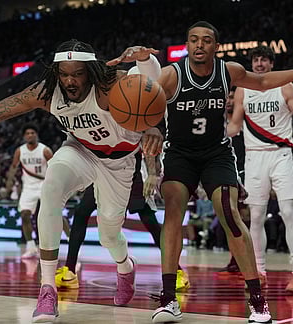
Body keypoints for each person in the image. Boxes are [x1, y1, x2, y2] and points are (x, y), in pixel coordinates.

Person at [0, 39, 164, 323]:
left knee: (109, 235)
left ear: (91, 71)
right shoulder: (47, 91)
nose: (69, 81)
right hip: (80, 151)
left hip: (119, 162)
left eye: (77, 73)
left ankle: (125, 267)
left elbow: (149, 95)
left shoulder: (112, 83)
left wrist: (152, 123)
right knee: (51, 185)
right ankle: (47, 288)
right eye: (63, 74)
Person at [110, 21, 293, 323]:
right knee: (173, 212)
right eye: (193, 39)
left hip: (216, 154)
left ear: (215, 46)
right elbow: (147, 102)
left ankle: (258, 302)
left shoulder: (228, 71)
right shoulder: (172, 74)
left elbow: (261, 82)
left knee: (229, 212)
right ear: (187, 44)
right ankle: (169, 299)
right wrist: (153, 127)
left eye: (206, 40)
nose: (199, 45)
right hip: (180, 154)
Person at [55, 151, 190, 292]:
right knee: (81, 212)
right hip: (102, 173)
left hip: (130, 173)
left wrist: (151, 174)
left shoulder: (135, 129)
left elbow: (147, 142)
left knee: (150, 222)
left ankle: (177, 272)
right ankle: (70, 270)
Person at [227, 45, 293, 292]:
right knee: (255, 216)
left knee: (289, 212)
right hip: (254, 157)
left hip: (282, 154)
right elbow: (234, 126)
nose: (259, 64)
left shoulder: (285, 86)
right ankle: (259, 272)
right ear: (251, 64)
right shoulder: (243, 90)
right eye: (256, 60)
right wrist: (212, 135)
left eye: (264, 60)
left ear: (271, 64)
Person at [5, 123, 53, 258]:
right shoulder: (20, 151)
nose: (30, 135)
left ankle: (47, 246)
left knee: (48, 217)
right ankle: (31, 247)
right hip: (29, 187)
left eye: (32, 133)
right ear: (24, 137)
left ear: (36, 135)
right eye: (27, 133)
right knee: (25, 215)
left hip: (44, 184)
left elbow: (56, 167)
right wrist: (9, 183)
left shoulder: (45, 150)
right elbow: (14, 167)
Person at [218, 87, 250, 273]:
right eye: (226, 98)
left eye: (232, 97)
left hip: (246, 170)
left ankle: (244, 259)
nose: (229, 101)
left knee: (244, 217)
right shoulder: (217, 122)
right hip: (227, 172)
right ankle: (235, 258)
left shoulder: (244, 122)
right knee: (229, 216)